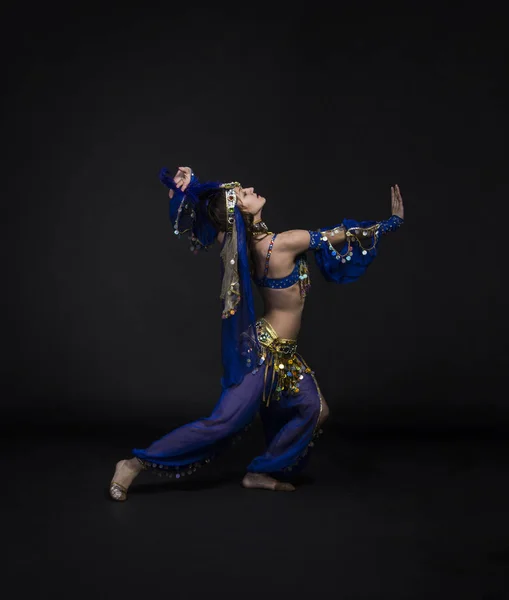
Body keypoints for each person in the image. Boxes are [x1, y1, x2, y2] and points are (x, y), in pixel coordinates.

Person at [109, 166, 404, 500]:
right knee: (222, 424)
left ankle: (260, 472)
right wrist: (391, 223)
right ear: (240, 212)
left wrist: (186, 189)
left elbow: (204, 220)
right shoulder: (282, 244)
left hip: (283, 353)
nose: (250, 189)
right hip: (263, 356)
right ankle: (133, 465)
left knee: (315, 410)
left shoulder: (240, 243)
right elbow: (340, 235)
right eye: (244, 194)